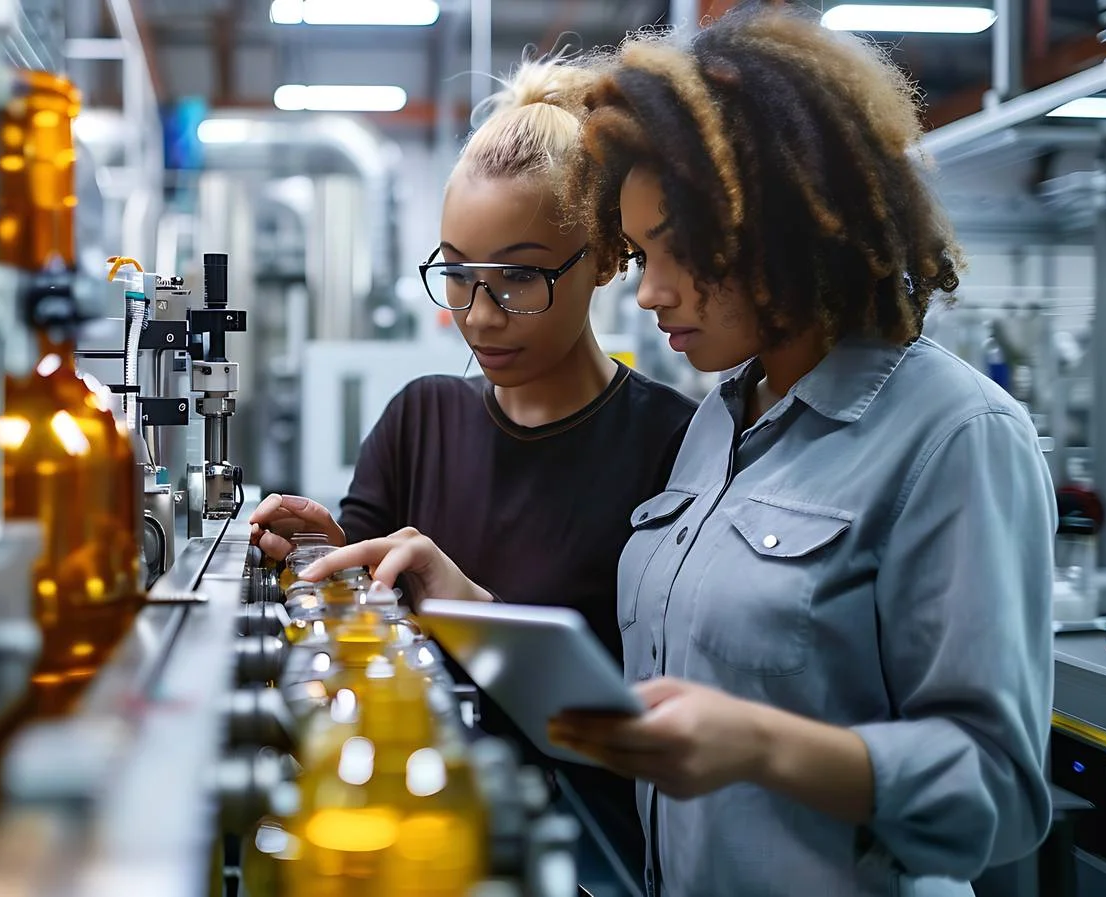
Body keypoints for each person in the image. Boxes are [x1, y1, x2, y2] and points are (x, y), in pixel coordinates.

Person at [297, 8, 1057, 897]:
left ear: (779, 227)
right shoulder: (716, 428)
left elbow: (998, 792)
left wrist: (766, 746)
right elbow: (639, 718)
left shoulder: (955, 437)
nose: (650, 290)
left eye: (677, 251)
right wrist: (460, 599)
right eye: (640, 248)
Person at [250, 59, 697, 892]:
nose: (481, 316)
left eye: (520, 277)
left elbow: (658, 727)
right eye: (457, 273)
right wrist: (327, 563)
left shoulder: (674, 448)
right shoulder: (418, 421)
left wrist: (467, 605)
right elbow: (370, 630)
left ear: (605, 259)